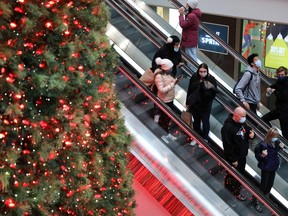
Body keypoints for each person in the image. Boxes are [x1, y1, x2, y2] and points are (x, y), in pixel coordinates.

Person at [221, 107, 255, 201]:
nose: (244, 118)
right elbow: (227, 145)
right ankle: (231, 194)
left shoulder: (241, 123)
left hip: (242, 156)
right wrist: (232, 160)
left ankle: (236, 191)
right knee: (233, 177)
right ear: (236, 116)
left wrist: (252, 134)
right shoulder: (227, 128)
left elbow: (247, 130)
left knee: (240, 176)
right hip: (234, 158)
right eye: (243, 116)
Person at [254, 127, 285, 212]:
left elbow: (277, 150)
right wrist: (262, 155)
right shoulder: (263, 145)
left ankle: (265, 199)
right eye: (274, 136)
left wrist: (281, 146)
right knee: (263, 185)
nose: (276, 138)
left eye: (277, 136)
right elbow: (257, 156)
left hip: (273, 166)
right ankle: (257, 201)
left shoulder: (277, 142)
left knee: (270, 184)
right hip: (266, 167)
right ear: (270, 135)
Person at [186, 63, 217, 147]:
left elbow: (214, 93)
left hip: (205, 105)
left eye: (204, 71)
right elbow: (189, 90)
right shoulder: (194, 77)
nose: (202, 73)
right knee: (196, 122)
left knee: (205, 122)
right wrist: (187, 103)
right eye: (201, 71)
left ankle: (205, 139)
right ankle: (196, 138)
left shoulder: (211, 79)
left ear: (207, 71)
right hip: (195, 104)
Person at [153, 57, 180, 142]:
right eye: (170, 68)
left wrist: (176, 81)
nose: (171, 69)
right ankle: (162, 135)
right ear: (166, 68)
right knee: (164, 118)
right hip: (163, 101)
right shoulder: (159, 76)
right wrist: (173, 84)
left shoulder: (167, 74)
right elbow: (161, 90)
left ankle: (166, 133)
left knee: (167, 118)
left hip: (170, 100)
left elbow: (171, 82)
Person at [262, 66, 288, 140]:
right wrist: (269, 88)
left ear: (286, 74)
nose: (280, 77)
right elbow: (274, 86)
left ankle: (285, 146)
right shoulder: (279, 82)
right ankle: (273, 134)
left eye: (282, 75)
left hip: (285, 112)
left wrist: (274, 91)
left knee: (285, 133)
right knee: (264, 119)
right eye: (279, 75)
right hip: (279, 110)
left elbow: (283, 97)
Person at [178, 0, 201, 67]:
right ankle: (192, 71)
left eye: (187, 4)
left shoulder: (192, 16)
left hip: (189, 40)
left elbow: (183, 24)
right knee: (191, 55)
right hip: (191, 39)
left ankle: (193, 73)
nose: (186, 6)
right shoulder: (193, 14)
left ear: (190, 5)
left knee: (191, 57)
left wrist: (181, 14)